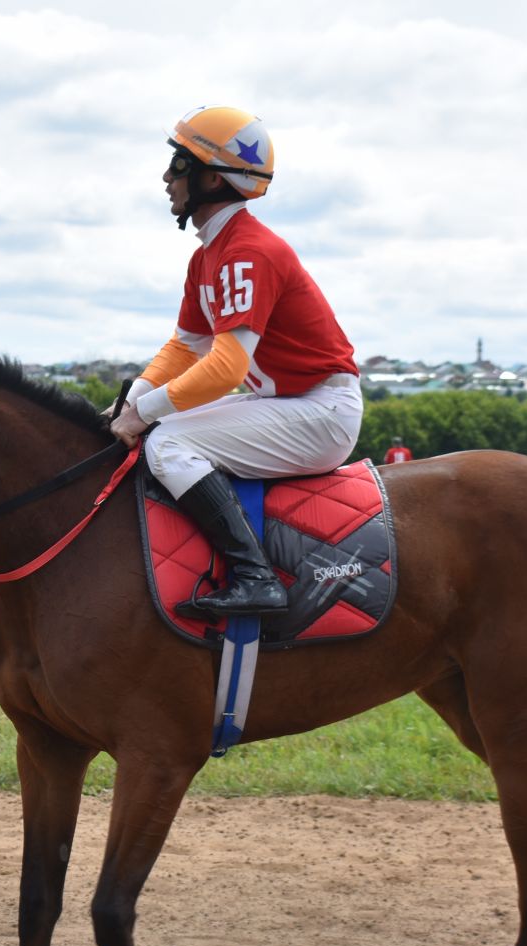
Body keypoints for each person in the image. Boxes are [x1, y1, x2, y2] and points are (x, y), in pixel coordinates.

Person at [107, 105, 361, 620]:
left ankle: (256, 577)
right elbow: (183, 349)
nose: (166, 177)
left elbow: (224, 368)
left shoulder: (246, 252)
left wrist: (144, 416)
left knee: (169, 439)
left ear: (211, 178)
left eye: (178, 165)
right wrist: (126, 404)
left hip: (321, 412)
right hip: (290, 404)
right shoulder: (207, 257)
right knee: (160, 425)